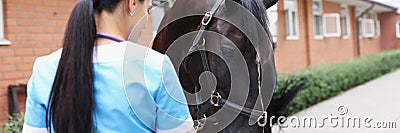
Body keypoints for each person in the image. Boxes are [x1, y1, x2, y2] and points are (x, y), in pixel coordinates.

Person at [22, 0, 194, 132]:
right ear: (132, 3)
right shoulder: (155, 67)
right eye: (148, 10)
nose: (147, 21)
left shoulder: (44, 69)